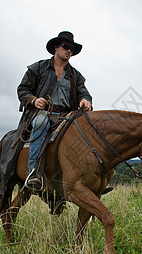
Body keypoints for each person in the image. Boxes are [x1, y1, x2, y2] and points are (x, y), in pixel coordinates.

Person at [17, 31, 92, 190]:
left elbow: (83, 92)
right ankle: (34, 173)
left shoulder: (76, 75)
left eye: (72, 49)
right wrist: (34, 100)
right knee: (41, 122)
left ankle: (88, 178)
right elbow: (22, 90)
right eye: (66, 47)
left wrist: (85, 100)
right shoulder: (38, 68)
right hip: (43, 113)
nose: (69, 51)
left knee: (88, 131)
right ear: (56, 48)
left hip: (68, 115)